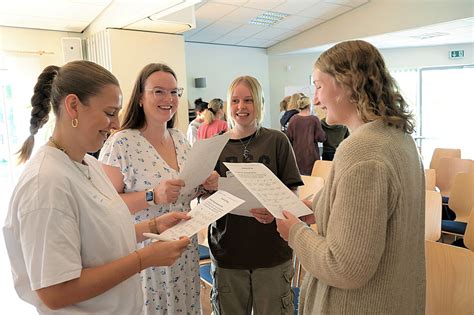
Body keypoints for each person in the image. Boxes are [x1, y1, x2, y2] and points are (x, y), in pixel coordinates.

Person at [3, 60, 191, 314]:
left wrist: (153, 226)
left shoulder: (88, 164)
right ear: (73, 106)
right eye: (110, 113)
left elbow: (101, 236)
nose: (115, 124)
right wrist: (143, 259)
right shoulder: (45, 184)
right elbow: (54, 292)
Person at [276, 40, 425, 314]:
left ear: (348, 83)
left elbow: (344, 267)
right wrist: (314, 210)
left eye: (319, 86)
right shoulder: (399, 138)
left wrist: (295, 233)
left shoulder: (362, 150)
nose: (316, 99)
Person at [98, 63, 218, 315]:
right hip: (144, 253)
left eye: (174, 92)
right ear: (140, 97)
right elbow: (105, 205)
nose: (169, 99)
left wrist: (205, 186)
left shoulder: (180, 139)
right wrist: (152, 196)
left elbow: (185, 193)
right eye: (159, 92)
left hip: (183, 252)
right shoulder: (121, 143)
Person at [209, 75, 303, 315]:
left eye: (248, 100)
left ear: (259, 102)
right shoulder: (215, 146)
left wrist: (275, 210)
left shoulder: (277, 141)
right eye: (235, 100)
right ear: (228, 105)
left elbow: (292, 191)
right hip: (228, 253)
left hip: (271, 253)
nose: (241, 107)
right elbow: (202, 200)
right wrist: (210, 188)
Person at [286, 96, 326, 175]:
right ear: (309, 106)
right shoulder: (314, 120)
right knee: (312, 181)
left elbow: (288, 138)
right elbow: (321, 137)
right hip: (311, 156)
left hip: (297, 156)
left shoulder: (293, 119)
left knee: (300, 182)